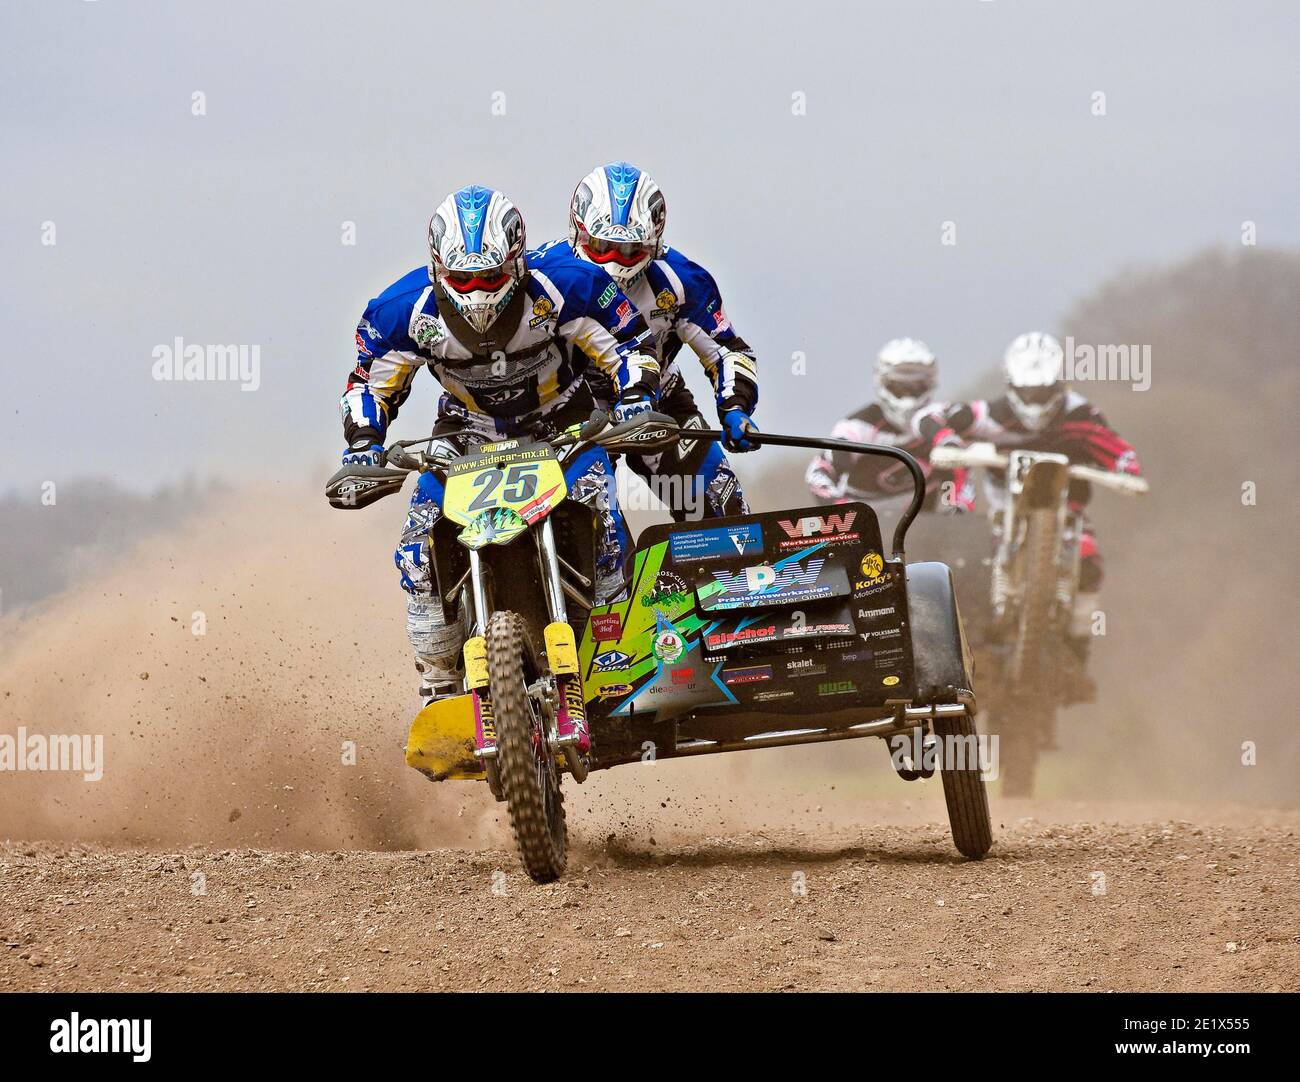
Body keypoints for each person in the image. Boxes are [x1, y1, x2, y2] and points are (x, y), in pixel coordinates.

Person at [338, 185, 660, 705]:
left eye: (490, 277)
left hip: (563, 424)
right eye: (463, 279)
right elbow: (367, 384)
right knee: (416, 546)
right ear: (438, 269)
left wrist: (634, 399)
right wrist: (363, 447)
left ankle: (612, 651)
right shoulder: (400, 311)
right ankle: (439, 683)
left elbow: (629, 346)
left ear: (517, 261)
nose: (478, 291)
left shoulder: (571, 286)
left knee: (605, 514)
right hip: (466, 436)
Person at [915, 331, 1142, 671]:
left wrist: (1127, 469)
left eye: (1043, 391)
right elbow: (929, 416)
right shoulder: (990, 414)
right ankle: (961, 644)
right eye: (1027, 391)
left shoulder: (1082, 415)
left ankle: (1077, 649)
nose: (1035, 401)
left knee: (1089, 562)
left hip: (1067, 515)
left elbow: (1119, 451)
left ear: (1058, 383)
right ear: (1012, 384)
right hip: (1000, 513)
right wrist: (947, 439)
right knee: (960, 565)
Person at [562, 161, 758, 521]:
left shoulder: (681, 280)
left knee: (722, 509)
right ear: (580, 232)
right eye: (603, 245)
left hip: (659, 405)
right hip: (566, 414)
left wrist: (735, 406)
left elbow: (728, 350)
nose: (614, 260)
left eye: (628, 249)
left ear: (654, 240)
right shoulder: (547, 274)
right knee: (588, 523)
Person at [806, 337, 973, 512]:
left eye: (917, 386)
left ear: (930, 383)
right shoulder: (858, 427)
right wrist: (840, 509)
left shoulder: (943, 422)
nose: (908, 395)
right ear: (882, 382)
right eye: (900, 387)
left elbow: (961, 475)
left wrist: (956, 514)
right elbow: (819, 471)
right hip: (861, 526)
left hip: (922, 529)